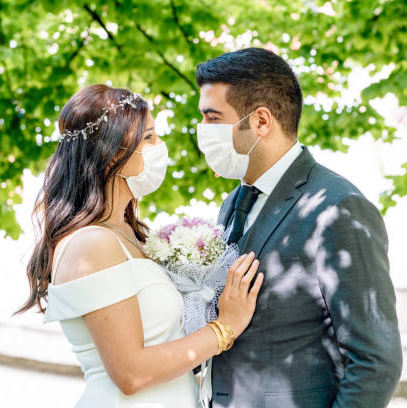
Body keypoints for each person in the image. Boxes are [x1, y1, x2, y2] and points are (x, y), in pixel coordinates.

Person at [15, 84, 264, 407]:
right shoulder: (92, 245)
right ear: (113, 154)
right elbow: (130, 374)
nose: (160, 146)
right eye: (148, 138)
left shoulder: (130, 234)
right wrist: (225, 328)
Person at [195, 47, 403, 408]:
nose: (202, 131)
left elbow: (375, 363)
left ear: (261, 121)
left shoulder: (338, 208)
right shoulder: (233, 202)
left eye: (213, 118)